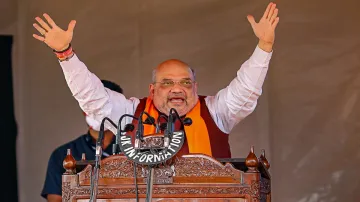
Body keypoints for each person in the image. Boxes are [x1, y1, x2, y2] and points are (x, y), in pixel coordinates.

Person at [32, 3, 279, 158]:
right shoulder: (131, 113)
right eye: (167, 83)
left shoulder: (215, 111)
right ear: (152, 89)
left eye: (185, 82)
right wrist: (65, 53)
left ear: (195, 87)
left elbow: (246, 90)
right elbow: (93, 97)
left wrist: (264, 46)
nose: (177, 89)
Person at [40, 80, 123, 202]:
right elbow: (55, 199)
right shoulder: (63, 155)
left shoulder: (134, 152)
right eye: (91, 105)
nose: (97, 111)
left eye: (104, 105)